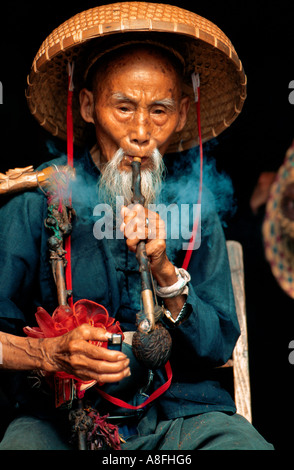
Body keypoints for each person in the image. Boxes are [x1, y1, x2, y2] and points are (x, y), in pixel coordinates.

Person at [0, 2, 273, 450]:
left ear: (182, 114)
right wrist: (47, 353)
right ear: (88, 106)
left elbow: (217, 347)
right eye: (123, 107)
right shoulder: (38, 200)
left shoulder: (196, 207)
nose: (141, 132)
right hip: (61, 422)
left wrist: (166, 270)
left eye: (159, 111)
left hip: (186, 418)